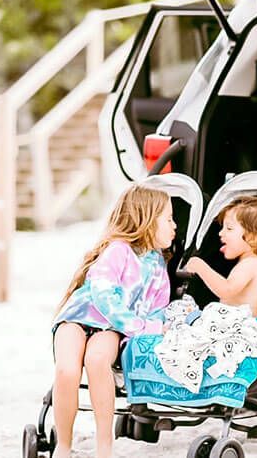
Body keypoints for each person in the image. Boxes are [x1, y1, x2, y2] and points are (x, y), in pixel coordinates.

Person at [50, 184, 176, 458]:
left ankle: (104, 447)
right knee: (67, 371)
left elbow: (157, 308)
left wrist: (155, 326)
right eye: (168, 219)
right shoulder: (118, 251)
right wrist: (140, 327)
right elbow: (104, 295)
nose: (174, 225)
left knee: (97, 361)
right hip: (78, 318)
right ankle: (63, 445)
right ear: (146, 220)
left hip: (112, 329)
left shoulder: (157, 266)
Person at [184, 195, 257, 318]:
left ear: (252, 237)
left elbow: (226, 290)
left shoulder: (252, 264)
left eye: (229, 228)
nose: (221, 233)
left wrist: (200, 266)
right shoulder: (249, 262)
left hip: (241, 328)